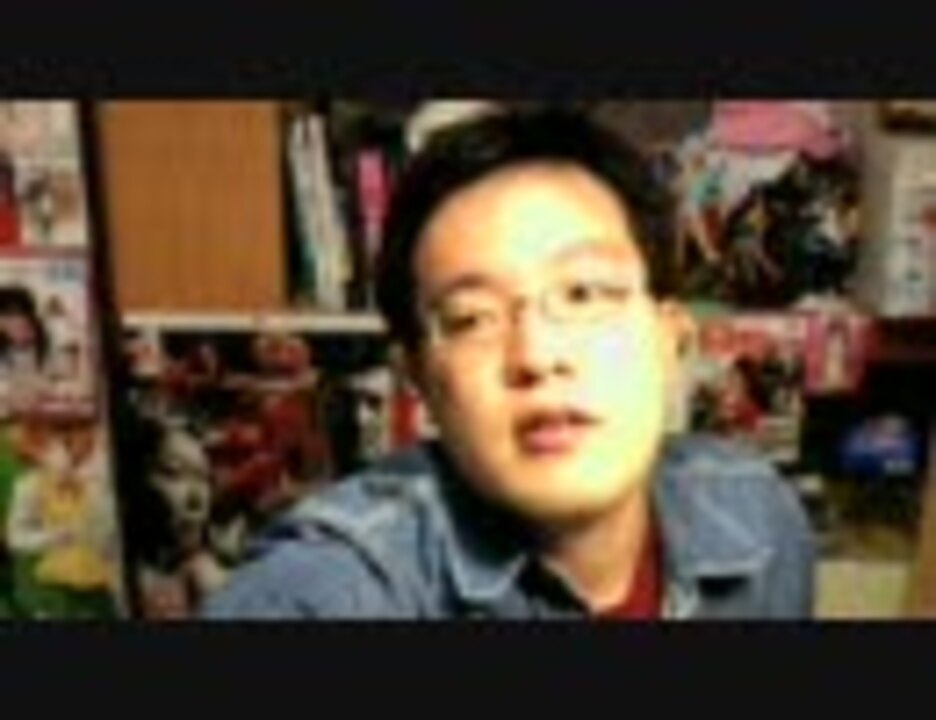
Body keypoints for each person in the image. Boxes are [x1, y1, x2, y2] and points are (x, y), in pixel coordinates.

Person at [201, 106, 815, 620]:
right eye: (472, 319)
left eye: (583, 294)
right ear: (421, 382)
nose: (538, 357)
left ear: (671, 341)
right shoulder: (332, 590)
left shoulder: (760, 519)